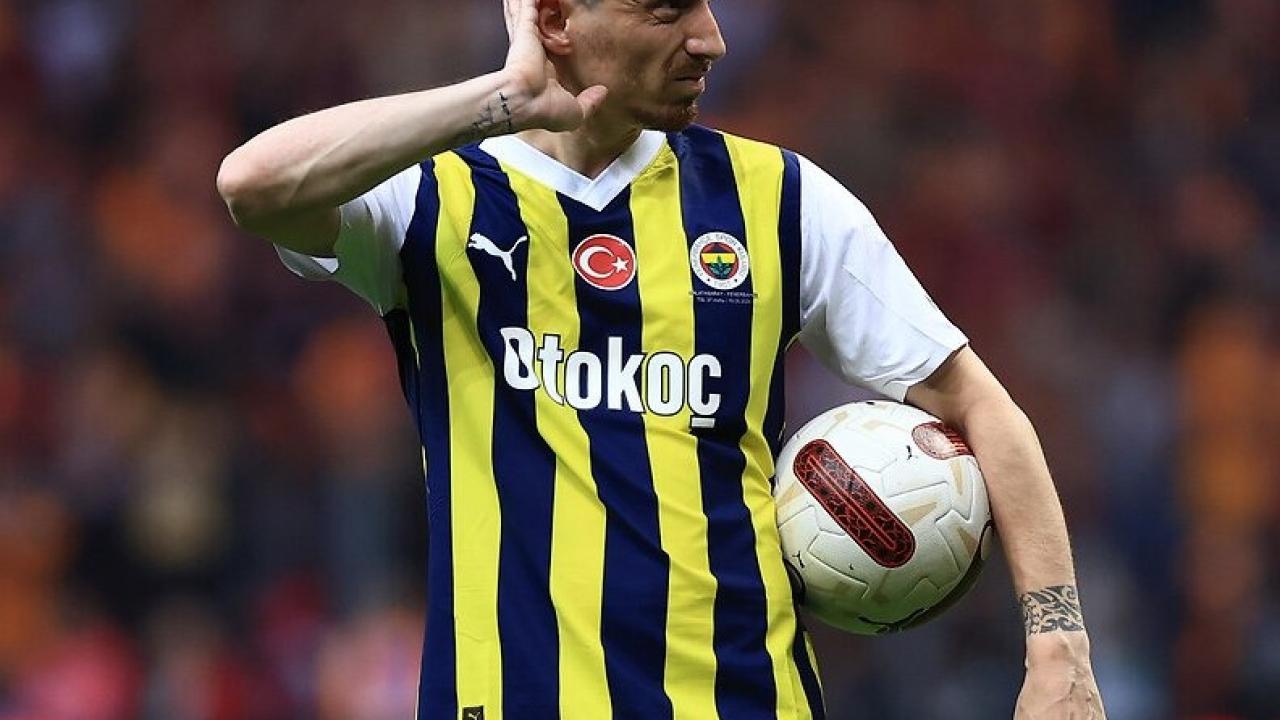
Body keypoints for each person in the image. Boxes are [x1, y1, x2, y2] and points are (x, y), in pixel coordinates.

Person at [216, 1, 1107, 718]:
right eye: (667, 9)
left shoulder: (782, 202)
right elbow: (252, 185)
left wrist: (1058, 650)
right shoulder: (435, 202)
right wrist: (504, 98)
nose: (710, 37)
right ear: (557, 20)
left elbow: (982, 407)